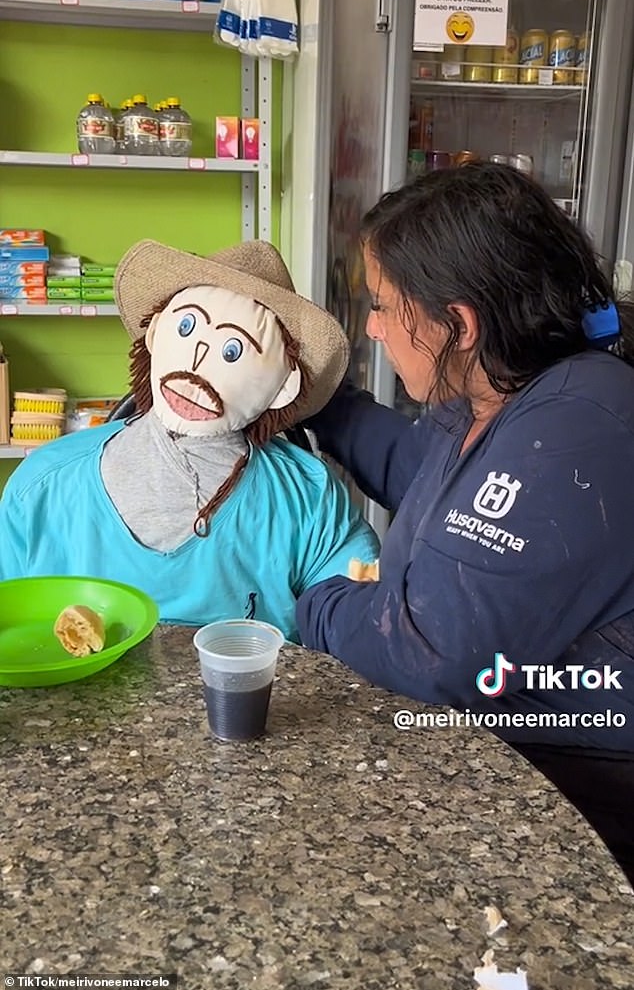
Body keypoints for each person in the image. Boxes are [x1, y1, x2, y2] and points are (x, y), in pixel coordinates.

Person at [295, 162, 634, 883]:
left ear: (460, 324)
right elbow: (417, 467)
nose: (372, 327)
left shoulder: (577, 423)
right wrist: (323, 402)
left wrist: (314, 600)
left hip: (584, 788)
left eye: (383, 306)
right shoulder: (491, 392)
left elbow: (433, 650)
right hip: (506, 754)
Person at [0, 239, 379, 641]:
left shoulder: (306, 496)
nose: (198, 360)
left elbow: (358, 615)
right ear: (156, 333)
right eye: (186, 328)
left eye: (232, 350)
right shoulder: (43, 486)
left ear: (283, 386)